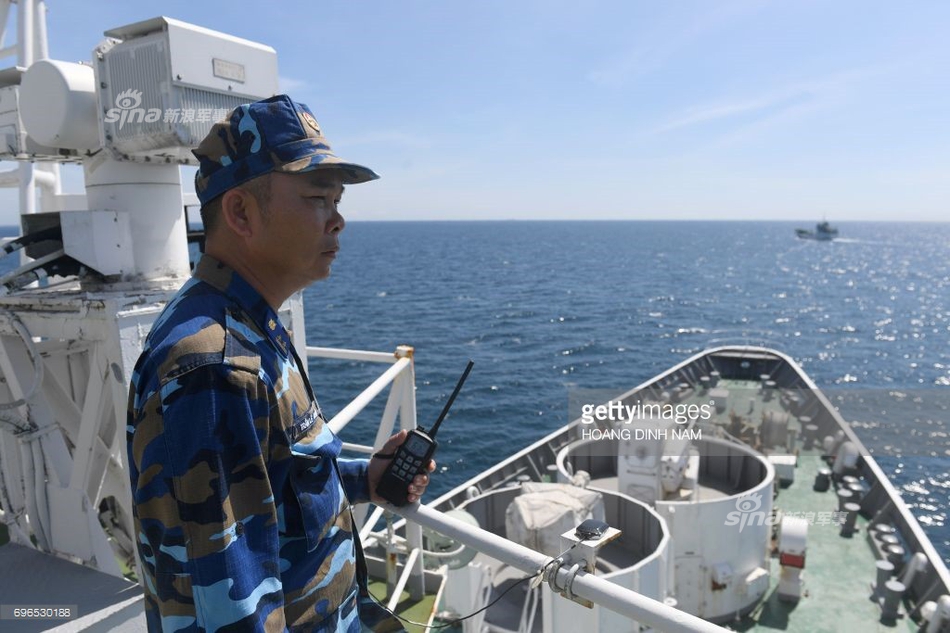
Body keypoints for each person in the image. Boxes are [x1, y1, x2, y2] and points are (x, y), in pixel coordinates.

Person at [127, 94, 431, 631]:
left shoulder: (247, 321)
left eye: (338, 201)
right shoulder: (214, 368)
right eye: (318, 198)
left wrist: (366, 479)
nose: (338, 221)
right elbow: (231, 614)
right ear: (241, 212)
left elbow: (276, 479)